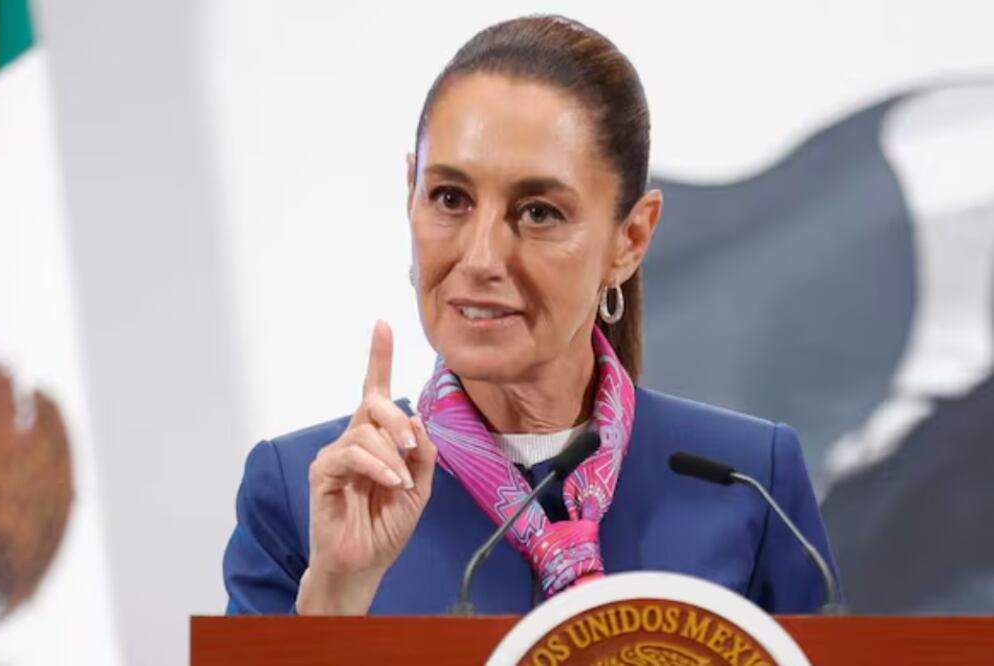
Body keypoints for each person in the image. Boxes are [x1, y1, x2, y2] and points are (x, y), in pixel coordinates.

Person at [223, 14, 837, 616]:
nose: (482, 258)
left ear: (631, 239)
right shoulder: (306, 494)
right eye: (449, 198)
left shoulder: (749, 481)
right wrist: (334, 599)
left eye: (539, 212)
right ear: (409, 192)